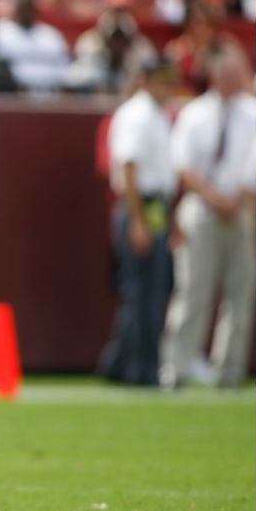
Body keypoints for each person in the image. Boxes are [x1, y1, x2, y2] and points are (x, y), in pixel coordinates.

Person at [160, 51, 256, 389]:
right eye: (228, 74)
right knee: (193, 289)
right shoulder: (194, 113)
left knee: (239, 294)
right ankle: (177, 367)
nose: (234, 80)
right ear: (214, 77)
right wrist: (215, 198)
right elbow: (183, 166)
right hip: (202, 207)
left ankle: (229, 370)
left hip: (242, 207)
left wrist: (241, 199)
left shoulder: (255, 113)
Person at [97, 58, 179, 386]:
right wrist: (137, 220)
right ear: (145, 81)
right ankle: (137, 368)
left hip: (154, 206)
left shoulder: (157, 116)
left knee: (150, 290)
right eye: (161, 81)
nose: (167, 87)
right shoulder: (136, 115)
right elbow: (128, 167)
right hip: (141, 207)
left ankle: (123, 364)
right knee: (141, 292)